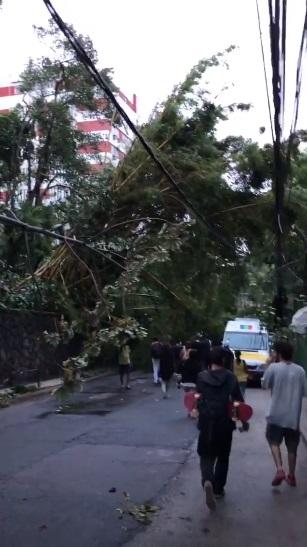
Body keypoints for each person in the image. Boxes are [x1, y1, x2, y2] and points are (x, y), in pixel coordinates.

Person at [197, 346, 244, 510]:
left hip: (206, 422)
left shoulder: (201, 377)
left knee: (205, 454)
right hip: (225, 423)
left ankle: (207, 480)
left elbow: (197, 398)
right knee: (223, 456)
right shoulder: (231, 378)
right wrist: (242, 420)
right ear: (226, 360)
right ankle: (218, 489)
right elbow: (238, 401)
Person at [263, 340, 307, 487]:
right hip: (293, 416)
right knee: (292, 447)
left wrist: (268, 365)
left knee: (273, 440)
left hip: (275, 414)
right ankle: (292, 476)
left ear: (279, 353)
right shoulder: (300, 370)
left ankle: (280, 469)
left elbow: (264, 385)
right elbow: (305, 392)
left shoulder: (274, 368)